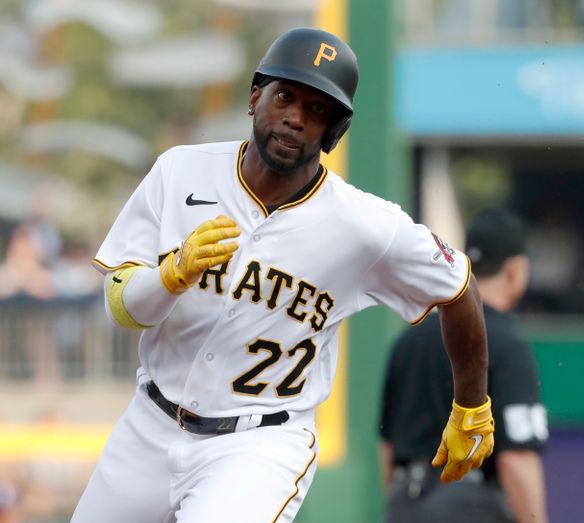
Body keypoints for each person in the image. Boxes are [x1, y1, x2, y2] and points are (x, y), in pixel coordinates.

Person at [72, 27, 494, 523]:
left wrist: (471, 402)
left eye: (317, 110)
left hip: (259, 444)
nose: (295, 118)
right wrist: (169, 276)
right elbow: (120, 306)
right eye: (285, 96)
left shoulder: (365, 225)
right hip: (150, 423)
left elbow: (458, 286)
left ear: (333, 131)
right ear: (256, 97)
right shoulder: (180, 172)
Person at [380, 209, 549, 523]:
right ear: (515, 270)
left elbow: (388, 445)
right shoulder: (508, 344)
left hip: (406, 502)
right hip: (473, 507)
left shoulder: (409, 339)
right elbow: (517, 457)